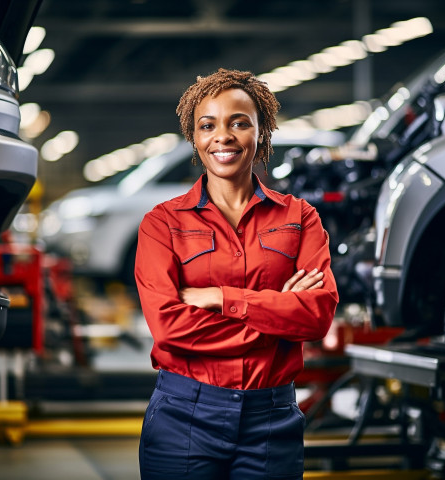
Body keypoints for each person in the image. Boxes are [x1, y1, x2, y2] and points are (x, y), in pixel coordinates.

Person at [135, 68, 339, 480]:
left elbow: (316, 317)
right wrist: (281, 315)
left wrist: (221, 299)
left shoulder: (300, 218)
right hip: (184, 416)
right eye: (207, 125)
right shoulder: (162, 224)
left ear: (261, 133)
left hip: (272, 420)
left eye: (239, 123)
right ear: (194, 138)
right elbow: (170, 328)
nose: (222, 136)